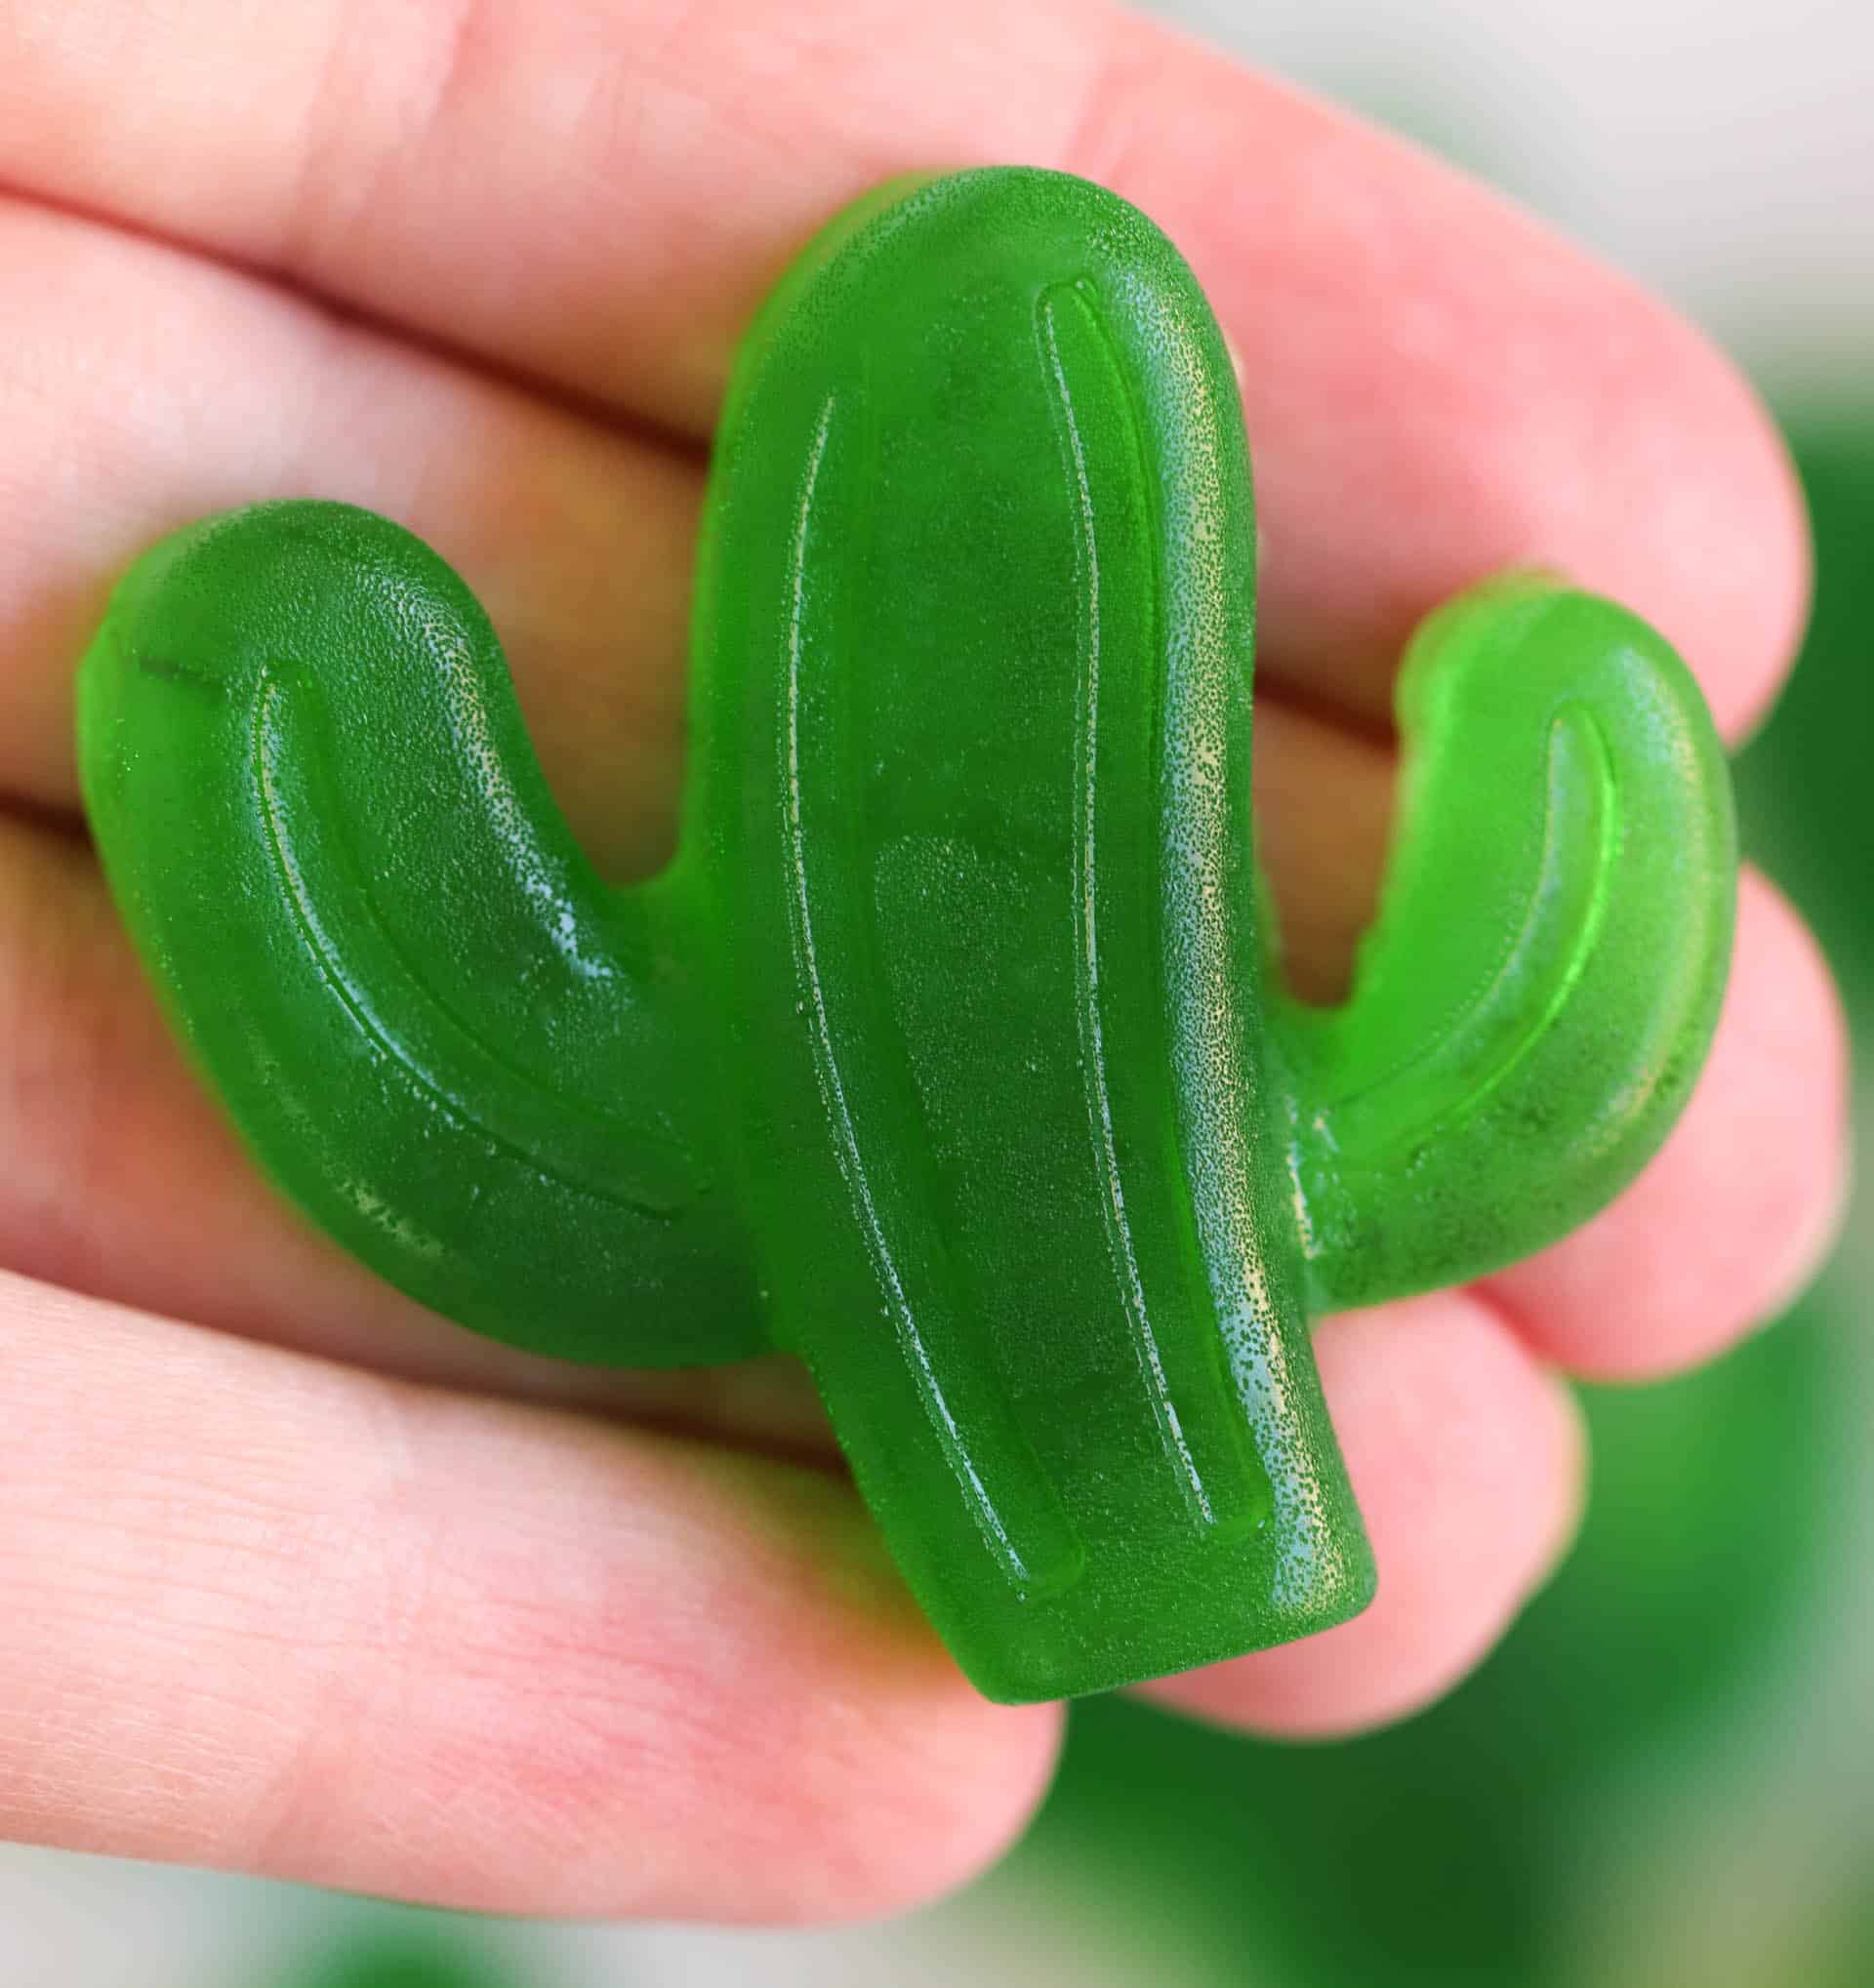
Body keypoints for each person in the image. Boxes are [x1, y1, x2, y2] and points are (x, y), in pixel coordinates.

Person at [0, 0, 1846, 1928]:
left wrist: (287, 686)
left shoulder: (652, 1184)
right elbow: (1547, 981)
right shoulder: (1040, 345)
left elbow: (440, 1025)